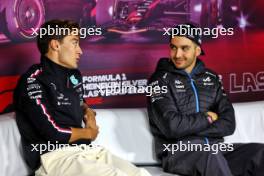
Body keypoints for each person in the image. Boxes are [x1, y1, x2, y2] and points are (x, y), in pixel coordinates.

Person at [14, 19, 151, 176]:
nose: (80, 51)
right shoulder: (33, 80)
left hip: (85, 152)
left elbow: (78, 101)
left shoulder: (73, 75)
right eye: (74, 42)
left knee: (142, 174)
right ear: (55, 45)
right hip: (54, 159)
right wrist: (89, 133)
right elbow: (52, 132)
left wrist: (87, 111)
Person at [147, 23, 264, 176]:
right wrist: (208, 117)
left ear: (198, 50)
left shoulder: (212, 78)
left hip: (215, 149)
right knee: (210, 156)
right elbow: (172, 127)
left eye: (184, 48)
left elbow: (229, 124)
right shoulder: (158, 80)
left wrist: (189, 128)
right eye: (173, 47)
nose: (177, 54)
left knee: (259, 153)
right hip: (179, 152)